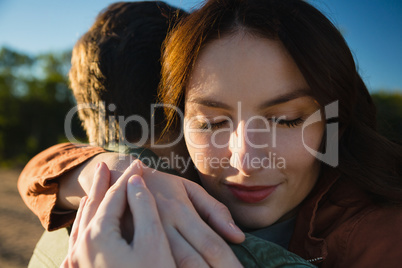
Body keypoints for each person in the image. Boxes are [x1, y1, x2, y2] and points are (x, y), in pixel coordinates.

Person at [20, 0, 402, 267]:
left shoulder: (378, 237)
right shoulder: (139, 193)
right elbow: (37, 173)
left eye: (286, 119)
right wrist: (109, 169)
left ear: (335, 121)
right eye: (211, 123)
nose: (246, 162)